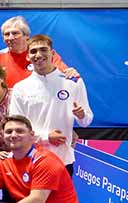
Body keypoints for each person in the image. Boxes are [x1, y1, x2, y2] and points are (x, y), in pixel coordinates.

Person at [8, 35, 92, 174]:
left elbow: (86, 121)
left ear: (52, 53)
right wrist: (46, 137)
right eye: (33, 51)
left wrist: (82, 115)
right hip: (30, 159)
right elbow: (15, 128)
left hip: (63, 160)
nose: (38, 55)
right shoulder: (20, 87)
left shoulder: (73, 82)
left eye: (43, 50)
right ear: (28, 56)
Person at [0, 16, 75, 87]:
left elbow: (64, 73)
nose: (10, 38)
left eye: (15, 33)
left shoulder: (44, 54)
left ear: (27, 36)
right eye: (6, 34)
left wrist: (70, 73)